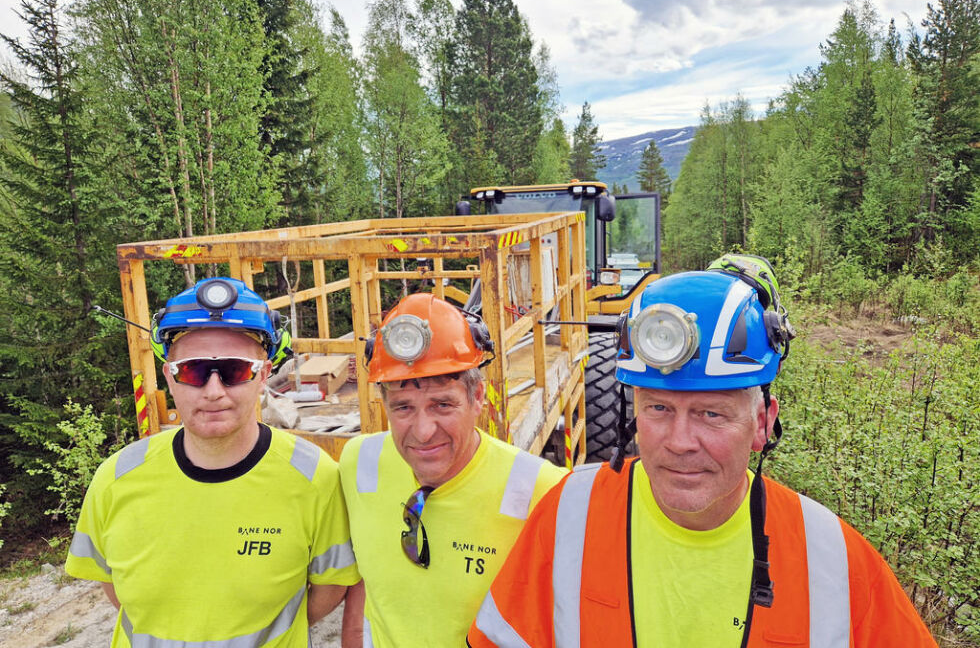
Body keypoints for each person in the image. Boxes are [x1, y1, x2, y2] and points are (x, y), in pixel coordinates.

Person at [468, 255, 938, 647]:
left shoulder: (833, 559)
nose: (679, 441)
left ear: (762, 422)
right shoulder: (570, 515)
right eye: (658, 408)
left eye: (711, 414)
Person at [66, 277, 360, 647]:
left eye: (236, 370)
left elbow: (330, 588)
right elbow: (114, 587)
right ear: (170, 378)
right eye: (194, 371)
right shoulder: (117, 477)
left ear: (263, 375)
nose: (214, 391)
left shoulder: (315, 476)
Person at [338, 293, 567, 647]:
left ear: (478, 399)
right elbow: (362, 581)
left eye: (442, 404)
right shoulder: (358, 463)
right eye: (402, 408)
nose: (423, 430)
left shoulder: (542, 490)